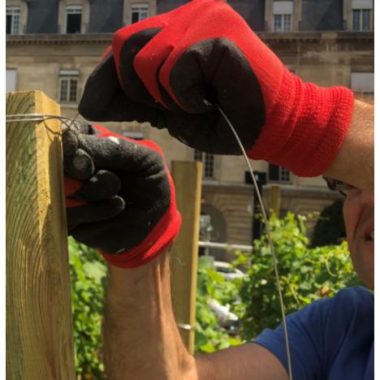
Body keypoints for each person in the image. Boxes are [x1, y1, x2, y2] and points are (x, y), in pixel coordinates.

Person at [64, 1, 374, 379]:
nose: (369, 201)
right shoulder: (344, 328)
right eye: (348, 185)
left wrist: (305, 119)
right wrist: (140, 255)